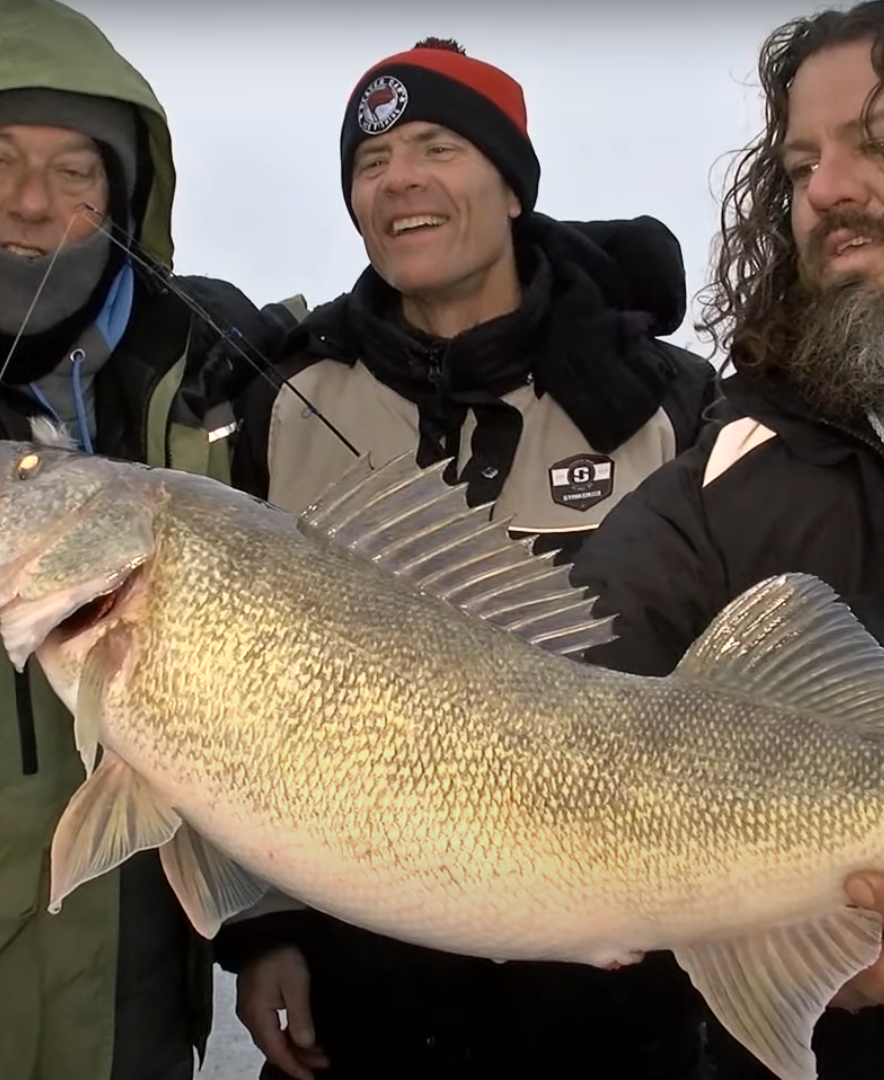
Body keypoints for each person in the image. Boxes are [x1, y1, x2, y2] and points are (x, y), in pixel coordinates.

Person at [0, 1, 298, 1078]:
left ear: (120, 200)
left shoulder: (207, 369)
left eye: (77, 169)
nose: (34, 200)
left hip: (137, 1017)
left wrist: (266, 931)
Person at [217, 37, 721, 1080]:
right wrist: (266, 931)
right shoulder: (283, 403)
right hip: (361, 1001)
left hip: (614, 996)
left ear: (513, 184)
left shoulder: (673, 401)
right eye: (371, 161)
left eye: (438, 147)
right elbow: (233, 702)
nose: (400, 178)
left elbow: (744, 671)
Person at [564, 2, 884, 1076]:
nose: (827, 191)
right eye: (801, 166)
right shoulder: (721, 484)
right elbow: (565, 693)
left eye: (875, 143)